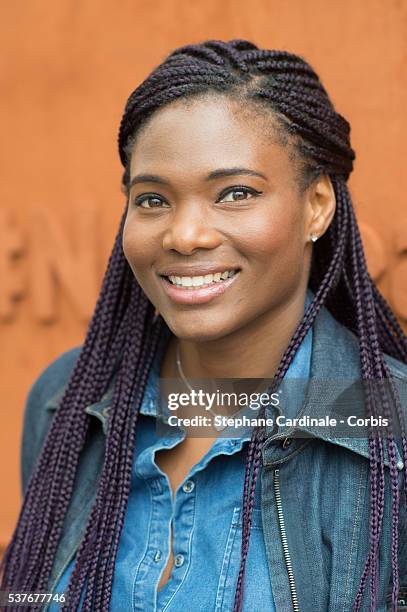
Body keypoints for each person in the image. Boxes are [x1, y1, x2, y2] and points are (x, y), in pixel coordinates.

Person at [1, 39, 406, 612]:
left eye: (235, 193)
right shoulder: (68, 404)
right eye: (152, 200)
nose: (184, 235)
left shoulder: (393, 432)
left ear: (316, 204)